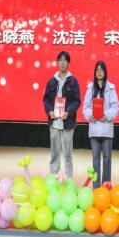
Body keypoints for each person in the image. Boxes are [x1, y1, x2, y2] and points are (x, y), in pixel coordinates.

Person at [42, 50, 81, 179]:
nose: (62, 63)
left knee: (68, 154)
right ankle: (54, 176)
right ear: (57, 63)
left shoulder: (73, 81)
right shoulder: (52, 81)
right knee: (54, 153)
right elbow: (46, 100)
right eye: (60, 60)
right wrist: (50, 111)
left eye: (65, 61)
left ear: (68, 63)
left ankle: (68, 178)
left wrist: (68, 112)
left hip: (67, 123)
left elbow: (77, 101)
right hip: (54, 122)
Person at [82, 60, 119, 187]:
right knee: (95, 160)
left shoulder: (111, 87)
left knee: (107, 159)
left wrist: (107, 115)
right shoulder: (90, 88)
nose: (99, 72)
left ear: (105, 72)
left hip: (106, 129)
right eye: (97, 70)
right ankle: (96, 187)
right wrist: (90, 115)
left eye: (101, 70)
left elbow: (115, 106)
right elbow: (85, 107)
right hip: (94, 129)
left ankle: (106, 186)